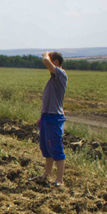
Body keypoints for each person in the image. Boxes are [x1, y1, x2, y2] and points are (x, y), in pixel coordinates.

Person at [36, 51, 68, 185]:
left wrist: (46, 54)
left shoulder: (60, 74)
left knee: (56, 147)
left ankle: (59, 179)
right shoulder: (53, 77)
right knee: (45, 147)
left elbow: (45, 61)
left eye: (51, 60)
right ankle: (47, 173)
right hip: (46, 116)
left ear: (55, 62)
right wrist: (41, 117)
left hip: (55, 117)